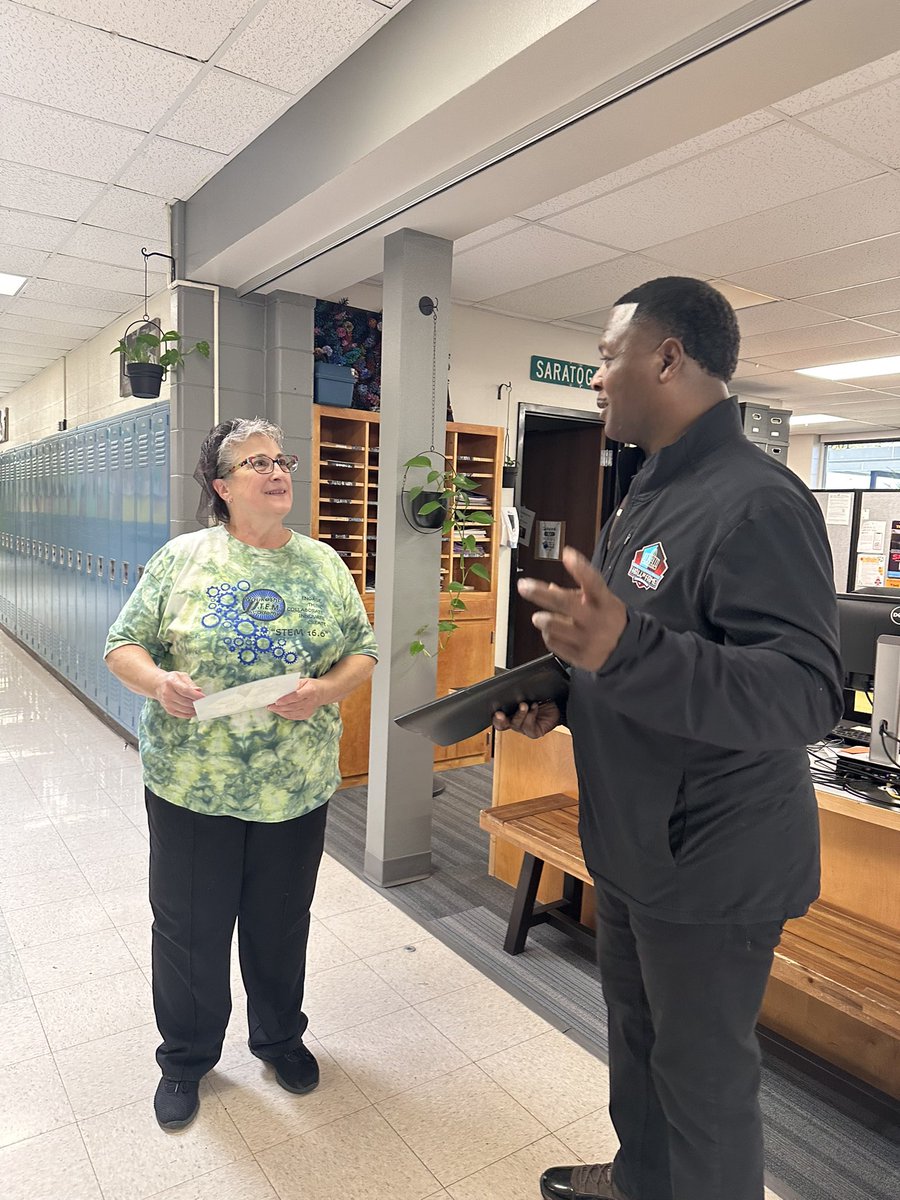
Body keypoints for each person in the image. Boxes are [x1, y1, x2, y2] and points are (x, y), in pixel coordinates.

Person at [494, 277, 842, 1200]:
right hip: (636, 843)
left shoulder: (759, 502)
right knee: (637, 1044)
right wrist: (564, 693)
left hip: (713, 861)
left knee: (704, 1085)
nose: (598, 379)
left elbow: (806, 695)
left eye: (608, 356)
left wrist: (625, 648)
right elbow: (643, 658)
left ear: (667, 357)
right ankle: (642, 1180)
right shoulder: (649, 491)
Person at [105, 417, 377, 1131]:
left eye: (281, 458)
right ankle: (187, 1058)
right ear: (222, 488)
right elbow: (122, 645)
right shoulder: (182, 559)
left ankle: (280, 1038)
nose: (276, 469)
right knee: (190, 928)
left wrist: (322, 692)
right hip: (194, 786)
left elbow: (363, 651)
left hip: (295, 787)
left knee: (279, 925)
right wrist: (160, 682)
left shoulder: (323, 563)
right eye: (255, 462)